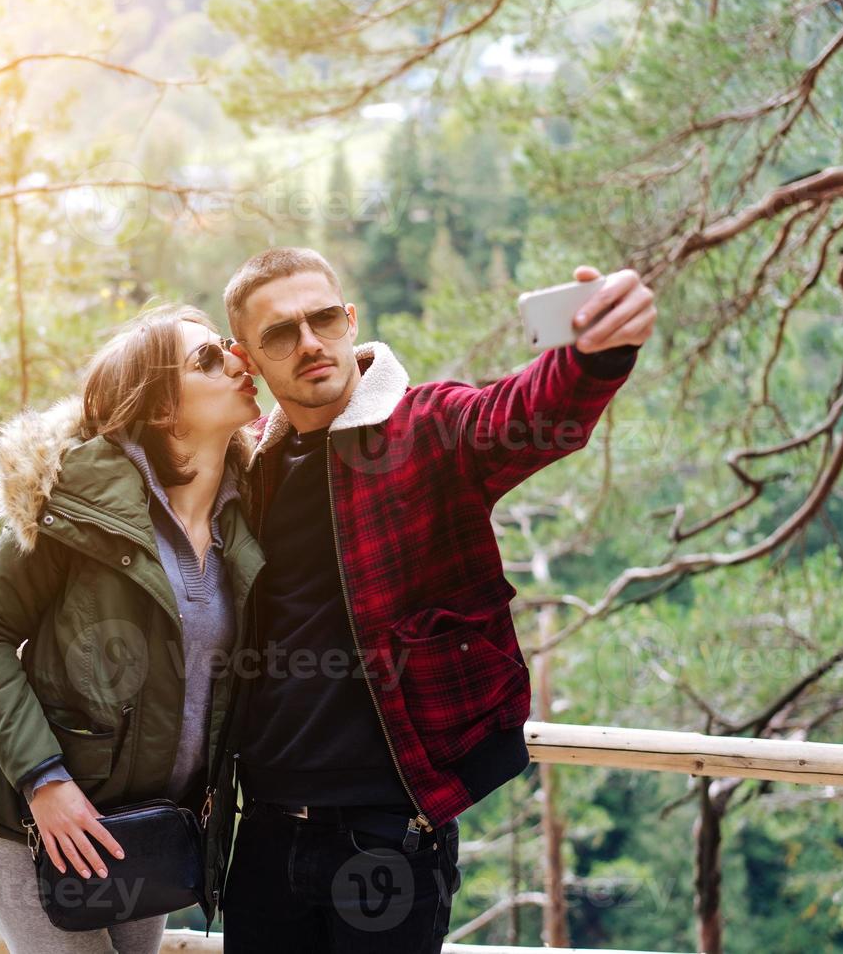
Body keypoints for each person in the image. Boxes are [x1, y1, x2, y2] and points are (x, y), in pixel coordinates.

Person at [216, 247, 655, 953]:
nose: (309, 343)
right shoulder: (247, 475)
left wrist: (596, 354)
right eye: (279, 333)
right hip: (264, 830)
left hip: (389, 834)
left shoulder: (426, 427)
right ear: (249, 359)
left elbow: (522, 414)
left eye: (323, 318)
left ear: (350, 319)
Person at [0, 304, 266, 953]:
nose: (239, 360)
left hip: (147, 831)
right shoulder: (79, 500)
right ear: (161, 411)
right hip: (34, 824)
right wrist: (46, 781)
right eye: (207, 359)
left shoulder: (249, 508)